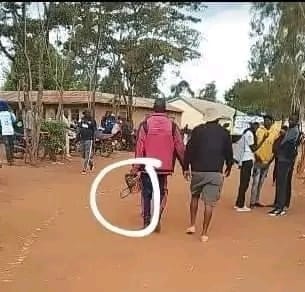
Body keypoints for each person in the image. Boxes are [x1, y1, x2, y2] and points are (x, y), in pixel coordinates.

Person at [132, 98, 184, 232]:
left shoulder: (145, 125)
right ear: (165, 109)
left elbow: (139, 147)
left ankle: (146, 221)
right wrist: (184, 166)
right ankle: (156, 219)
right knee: (160, 193)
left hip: (146, 168)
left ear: (153, 109)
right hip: (163, 168)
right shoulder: (172, 126)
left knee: (146, 194)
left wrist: (135, 168)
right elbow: (179, 147)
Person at [184, 113, 234, 242]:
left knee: (194, 196)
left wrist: (186, 167)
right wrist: (229, 166)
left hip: (198, 170)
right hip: (215, 172)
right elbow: (229, 152)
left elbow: (189, 149)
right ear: (217, 119)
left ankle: (192, 225)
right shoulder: (224, 133)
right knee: (209, 204)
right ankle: (204, 233)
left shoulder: (197, 130)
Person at [269, 114, 300, 216]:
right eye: (290, 119)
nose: (290, 121)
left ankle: (280, 207)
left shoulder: (294, 131)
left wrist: (280, 145)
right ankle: (278, 205)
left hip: (286, 160)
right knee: (280, 183)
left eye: (293, 120)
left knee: (282, 183)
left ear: (297, 121)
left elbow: (283, 143)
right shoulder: (290, 130)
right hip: (282, 159)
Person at [250, 115, 277, 208]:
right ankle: (252, 202)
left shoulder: (274, 132)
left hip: (267, 162)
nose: (266, 122)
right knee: (255, 182)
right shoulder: (259, 131)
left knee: (261, 183)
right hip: (258, 160)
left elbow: (275, 146)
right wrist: (256, 155)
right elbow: (254, 145)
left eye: (268, 120)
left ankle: (257, 200)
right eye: (265, 120)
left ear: (272, 121)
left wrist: (271, 160)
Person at [234, 122, 263, 212]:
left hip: (246, 159)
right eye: (256, 127)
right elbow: (253, 148)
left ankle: (239, 203)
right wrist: (263, 140)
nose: (257, 129)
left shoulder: (248, 133)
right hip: (247, 160)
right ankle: (240, 205)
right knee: (244, 183)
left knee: (243, 182)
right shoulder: (249, 134)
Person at [77, 109, 97, 175]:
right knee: (82, 154)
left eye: (89, 113)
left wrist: (94, 140)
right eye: (86, 113)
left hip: (89, 139)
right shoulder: (81, 120)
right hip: (82, 139)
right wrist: (77, 137)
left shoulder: (92, 120)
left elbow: (94, 131)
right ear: (84, 114)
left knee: (87, 154)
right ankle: (90, 163)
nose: (88, 114)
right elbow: (79, 128)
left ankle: (84, 169)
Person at [0, 100, 16, 166]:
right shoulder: (10, 113)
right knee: (11, 145)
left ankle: (9, 160)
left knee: (7, 146)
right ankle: (12, 159)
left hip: (4, 131)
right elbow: (14, 120)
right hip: (11, 131)